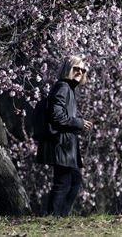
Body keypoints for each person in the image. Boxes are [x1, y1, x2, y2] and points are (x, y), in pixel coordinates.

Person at [36, 55, 93, 216]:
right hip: (61, 144)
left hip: (66, 145)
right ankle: (55, 217)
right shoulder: (63, 87)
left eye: (83, 70)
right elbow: (57, 116)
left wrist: (80, 122)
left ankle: (60, 216)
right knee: (62, 183)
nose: (80, 72)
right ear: (67, 69)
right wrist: (79, 123)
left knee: (74, 181)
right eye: (76, 69)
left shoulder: (69, 88)